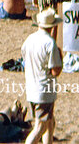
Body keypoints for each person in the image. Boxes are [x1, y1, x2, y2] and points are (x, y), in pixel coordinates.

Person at [23, 9, 63, 144]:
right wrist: (61, 57)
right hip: (44, 90)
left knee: (49, 122)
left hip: (32, 88)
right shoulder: (50, 43)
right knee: (40, 127)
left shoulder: (29, 39)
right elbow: (56, 71)